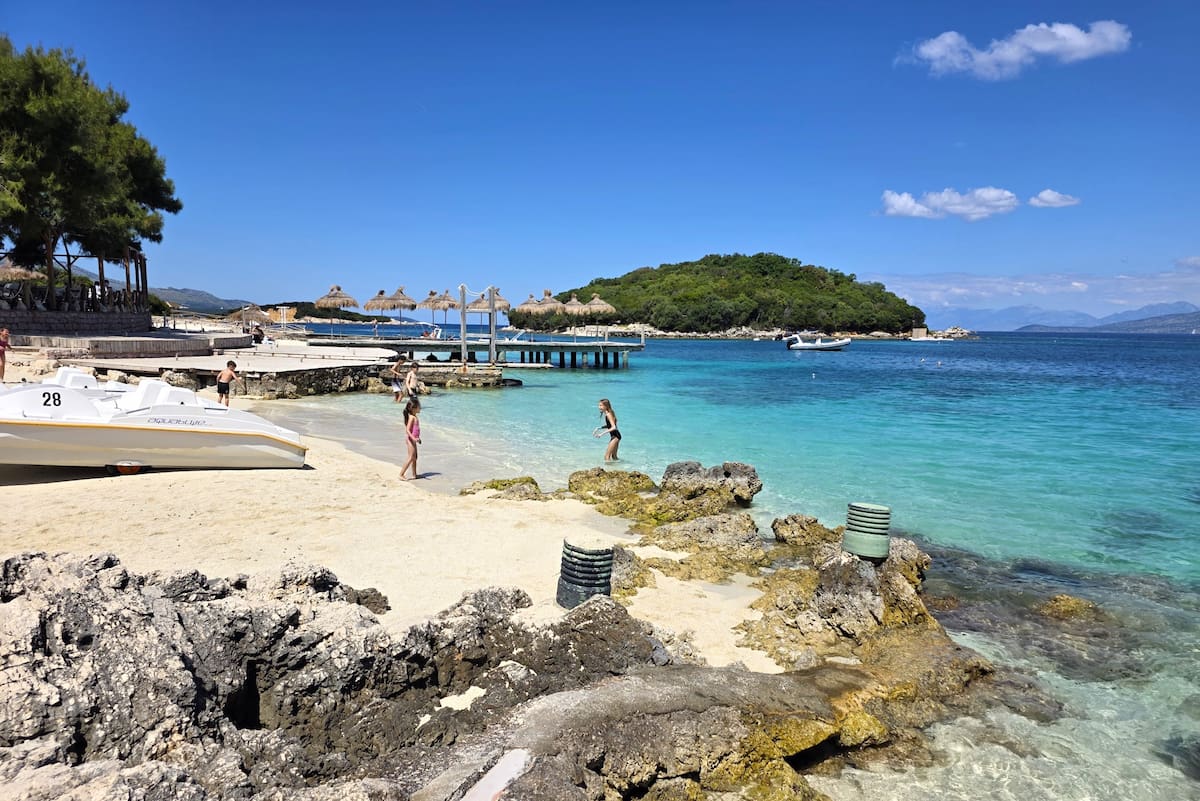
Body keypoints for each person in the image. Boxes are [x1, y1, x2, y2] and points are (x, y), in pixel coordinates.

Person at [400, 397, 422, 480]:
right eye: (419, 406)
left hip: (413, 439)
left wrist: (417, 438)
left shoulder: (415, 416)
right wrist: (413, 438)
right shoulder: (412, 418)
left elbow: (415, 430)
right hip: (410, 439)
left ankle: (414, 474)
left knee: (415, 457)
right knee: (410, 457)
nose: (420, 408)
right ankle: (401, 474)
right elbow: (408, 430)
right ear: (414, 408)